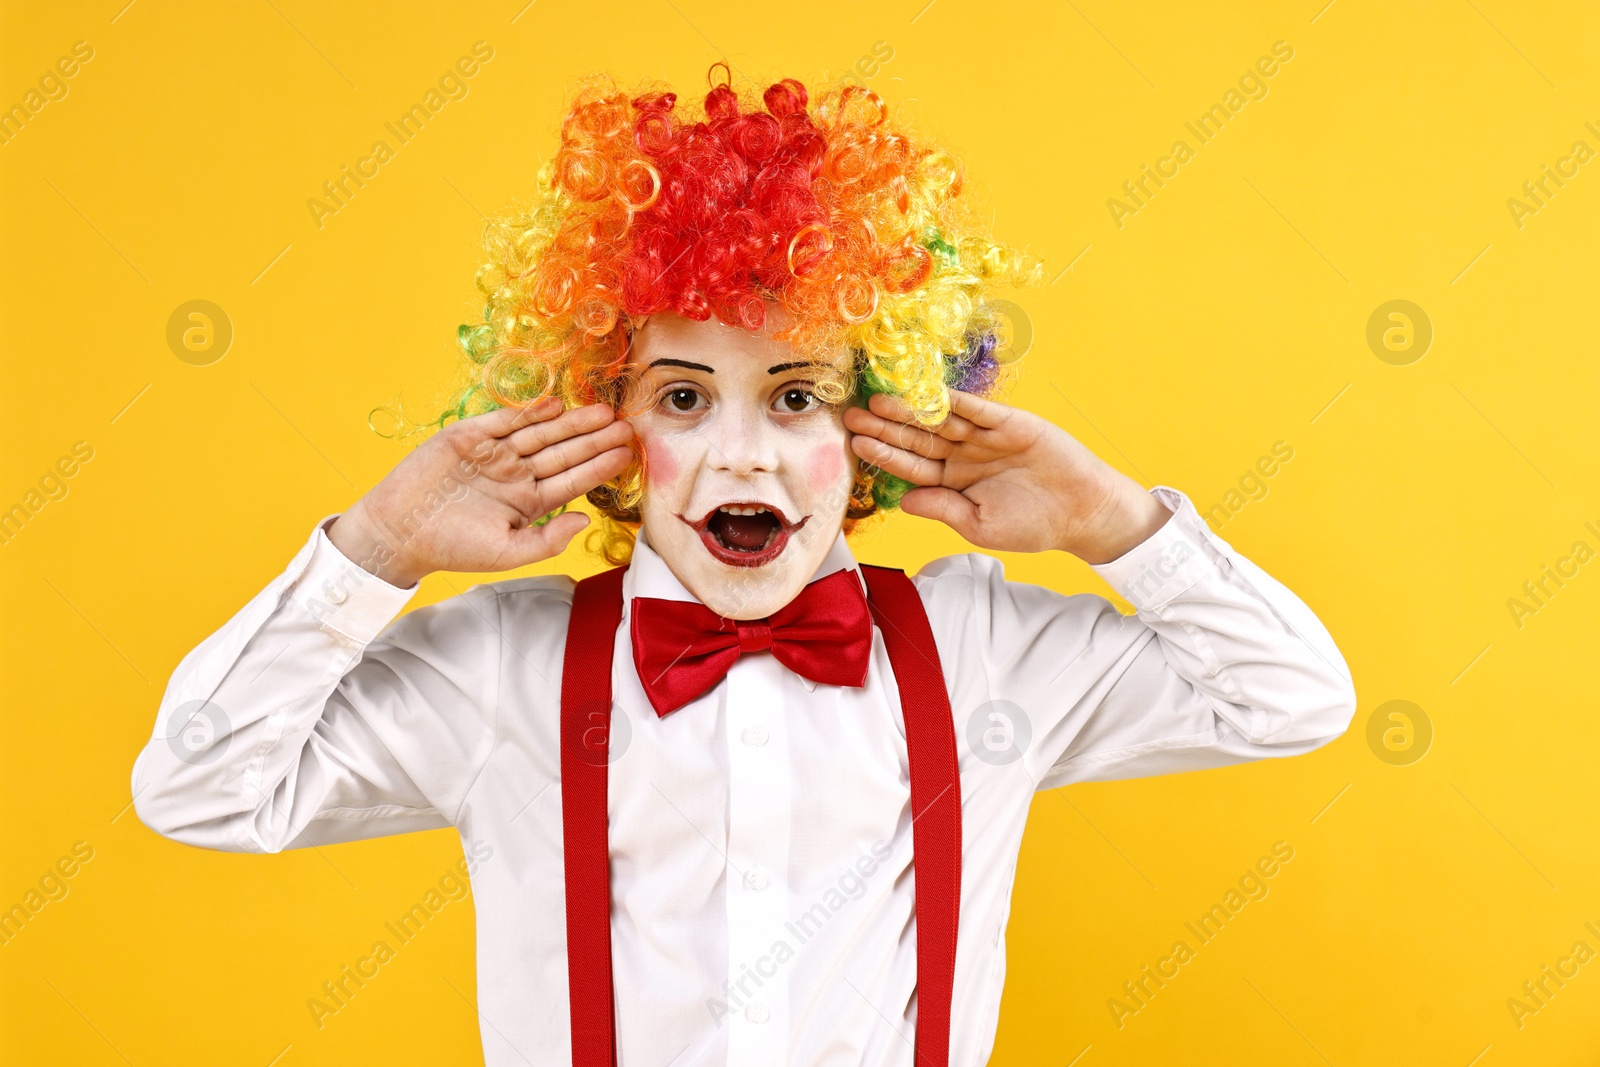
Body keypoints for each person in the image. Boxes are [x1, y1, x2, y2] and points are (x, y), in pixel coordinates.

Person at [131, 71, 1357, 1066]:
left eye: (794, 398)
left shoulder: (987, 655)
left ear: (877, 424)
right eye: (681, 396)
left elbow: (1294, 697)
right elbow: (200, 787)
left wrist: (1116, 525)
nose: (738, 452)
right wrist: (375, 551)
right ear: (605, 424)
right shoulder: (504, 668)